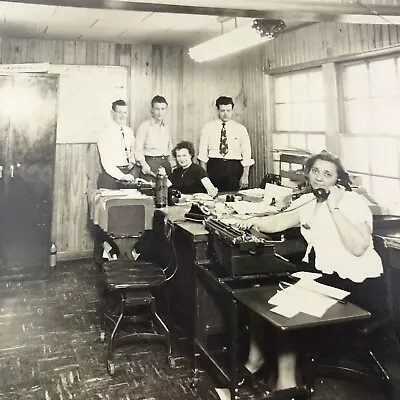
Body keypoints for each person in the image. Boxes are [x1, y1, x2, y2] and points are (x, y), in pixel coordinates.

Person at [235, 150, 383, 391]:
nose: (319, 178)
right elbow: (280, 221)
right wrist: (249, 221)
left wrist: (335, 208)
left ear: (338, 179)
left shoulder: (352, 202)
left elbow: (358, 248)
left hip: (357, 283)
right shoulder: (311, 200)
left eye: (327, 173)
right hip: (324, 277)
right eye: (315, 171)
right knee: (262, 297)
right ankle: (254, 363)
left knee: (285, 305)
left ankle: (286, 385)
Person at [198, 96, 254, 192]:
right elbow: (202, 156)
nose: (225, 114)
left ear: (232, 110)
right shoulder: (208, 128)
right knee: (213, 198)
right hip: (214, 167)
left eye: (228, 110)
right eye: (222, 110)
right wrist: (205, 177)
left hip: (234, 168)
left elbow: (246, 155)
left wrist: (245, 176)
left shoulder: (240, 129)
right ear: (217, 110)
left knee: (233, 198)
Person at [97, 99, 137, 190]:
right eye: (119, 112)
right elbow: (107, 162)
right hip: (110, 177)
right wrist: (122, 176)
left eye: (125, 112)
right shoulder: (105, 134)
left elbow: (132, 152)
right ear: (112, 113)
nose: (123, 116)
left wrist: (131, 165)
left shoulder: (129, 131)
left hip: (127, 175)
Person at [135, 95, 173, 180]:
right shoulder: (144, 126)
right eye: (157, 109)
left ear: (166, 110)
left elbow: (170, 148)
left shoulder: (166, 127)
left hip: (166, 164)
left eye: (163, 109)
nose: (160, 112)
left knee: (167, 191)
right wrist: (144, 165)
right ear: (152, 110)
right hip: (151, 164)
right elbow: (138, 150)